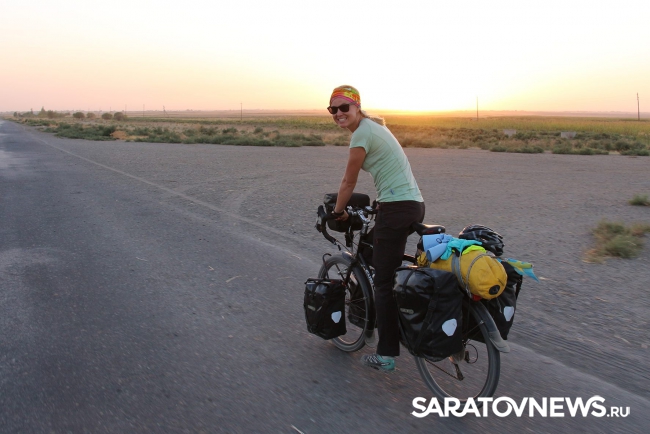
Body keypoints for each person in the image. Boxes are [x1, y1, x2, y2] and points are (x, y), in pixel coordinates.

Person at [328, 85, 425, 372]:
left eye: (344, 107)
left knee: (383, 282)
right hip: (410, 204)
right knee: (373, 255)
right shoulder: (374, 127)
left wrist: (337, 212)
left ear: (357, 107)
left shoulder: (362, 133)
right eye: (333, 109)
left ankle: (386, 354)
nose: (339, 113)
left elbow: (348, 182)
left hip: (396, 208)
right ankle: (375, 319)